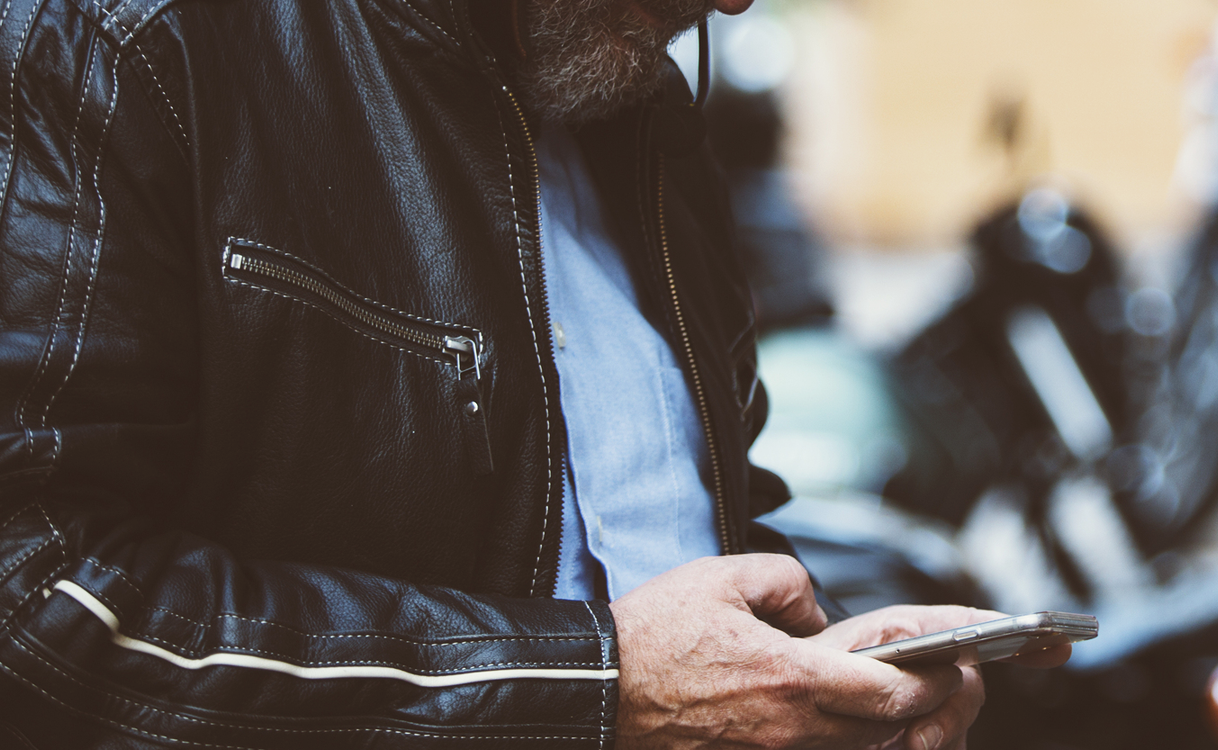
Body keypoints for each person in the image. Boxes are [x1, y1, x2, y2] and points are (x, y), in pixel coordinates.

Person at [0, 0, 1059, 747]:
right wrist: (597, 686)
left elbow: (683, 542)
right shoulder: (127, 42)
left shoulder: (644, 120)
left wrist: (823, 673)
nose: (733, 5)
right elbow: (32, 603)